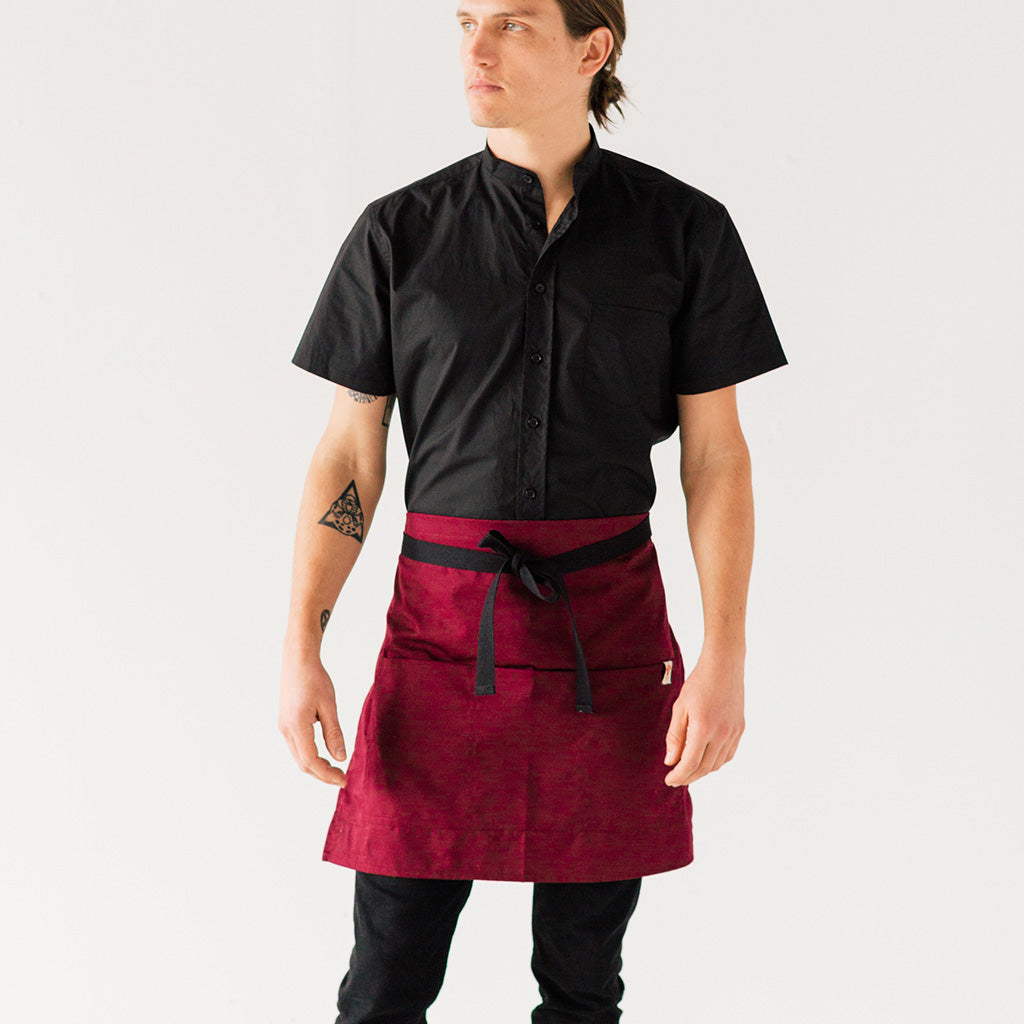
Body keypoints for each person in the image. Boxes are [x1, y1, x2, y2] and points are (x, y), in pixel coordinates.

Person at [279, 1, 788, 1021]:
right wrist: (302, 645)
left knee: (583, 983)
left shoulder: (685, 230)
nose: (473, 49)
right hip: (437, 635)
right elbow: (348, 453)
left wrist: (725, 655)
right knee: (384, 980)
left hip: (606, 632)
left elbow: (716, 456)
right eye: (466, 20)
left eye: (511, 24)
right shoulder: (398, 231)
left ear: (593, 49)